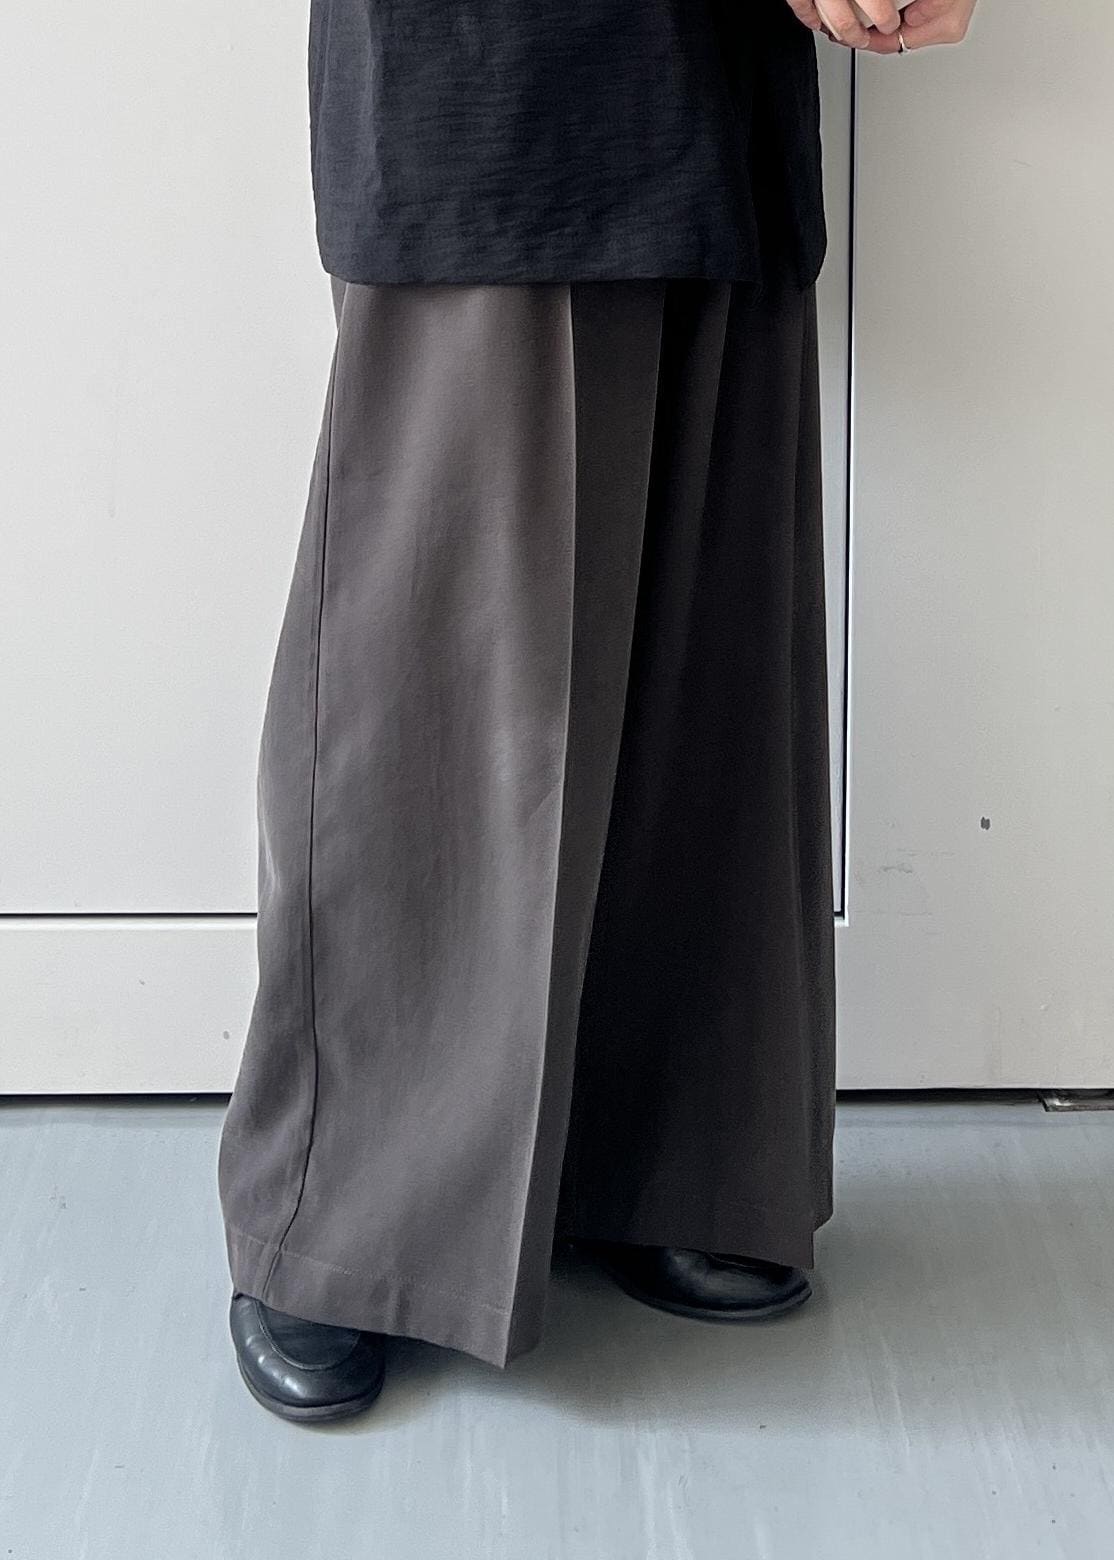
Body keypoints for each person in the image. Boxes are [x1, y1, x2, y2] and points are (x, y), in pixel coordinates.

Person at [216, 0, 978, 1424]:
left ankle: (664, 1162)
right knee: (450, 673)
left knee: (704, 661)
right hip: (494, 62)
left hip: (717, 74)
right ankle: (353, 1215)